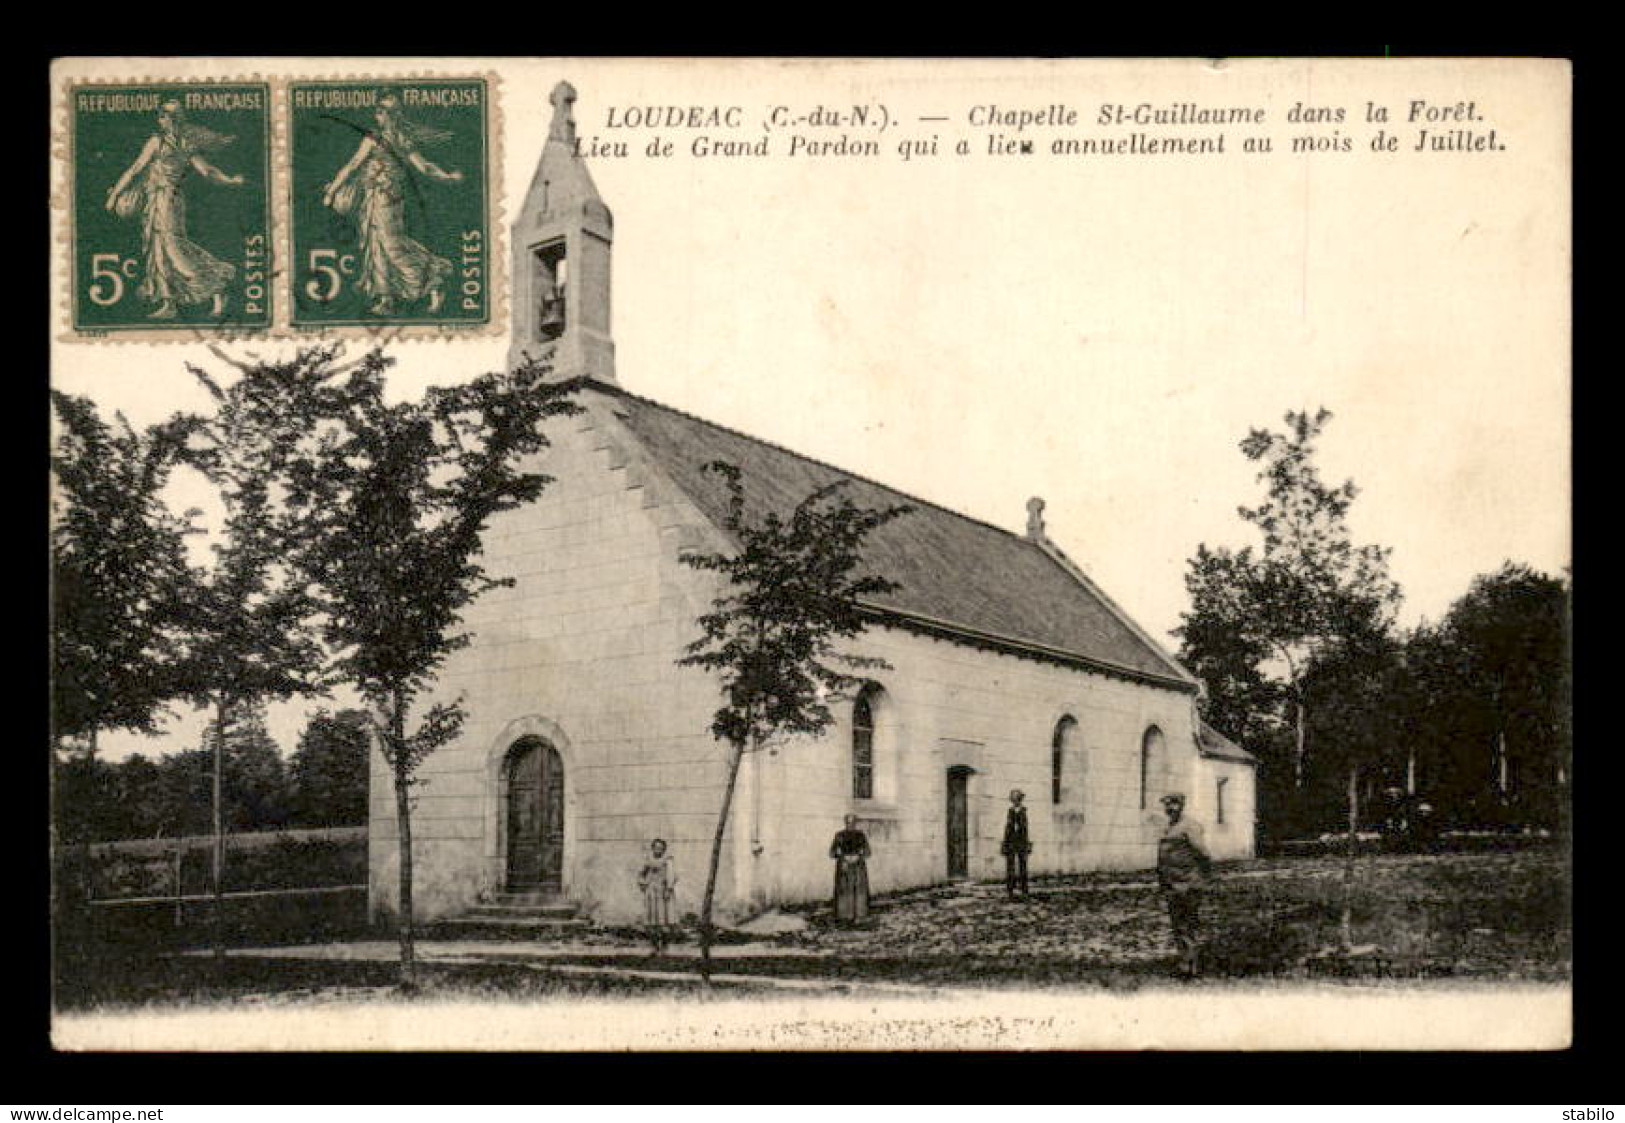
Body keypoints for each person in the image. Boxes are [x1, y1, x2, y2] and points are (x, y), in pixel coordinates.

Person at [321, 93, 461, 316]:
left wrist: (447, 177)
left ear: (391, 115)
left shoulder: (398, 139)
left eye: (382, 111)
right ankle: (386, 298)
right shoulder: (376, 138)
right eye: (377, 111)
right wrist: (334, 189)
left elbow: (424, 167)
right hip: (373, 197)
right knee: (376, 243)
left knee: (391, 245)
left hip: (389, 197)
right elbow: (353, 165)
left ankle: (434, 280)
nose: (377, 115)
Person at [104, 100, 244, 320]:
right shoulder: (168, 143)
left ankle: (217, 287)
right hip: (156, 200)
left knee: (173, 249)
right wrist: (230, 181)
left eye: (165, 116)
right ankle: (169, 303)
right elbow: (136, 170)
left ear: (174, 119)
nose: (162, 120)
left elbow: (206, 171)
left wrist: (229, 181)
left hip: (168, 200)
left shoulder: (173, 143)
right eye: (161, 116)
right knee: (157, 250)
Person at [1156, 792, 1213, 977]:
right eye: (1166, 805)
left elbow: (1203, 854)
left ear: (1181, 805)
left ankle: (1192, 965)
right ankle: (1185, 963)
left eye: (1173, 804)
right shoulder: (1168, 827)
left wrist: (1200, 878)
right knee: (1178, 924)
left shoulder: (1190, 826)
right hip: (1172, 884)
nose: (1169, 808)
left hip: (1188, 883)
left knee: (1188, 924)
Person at [636, 838, 677, 955]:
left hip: (663, 892)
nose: (658, 850)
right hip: (652, 893)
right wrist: (643, 884)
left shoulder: (668, 860)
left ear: (664, 849)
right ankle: (654, 947)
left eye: (661, 848)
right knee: (652, 921)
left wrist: (669, 889)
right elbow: (641, 873)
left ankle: (664, 946)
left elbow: (672, 875)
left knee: (664, 920)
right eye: (656, 847)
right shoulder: (649, 860)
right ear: (652, 848)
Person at [829, 814, 871, 925]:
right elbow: (831, 853)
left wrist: (858, 856)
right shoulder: (839, 835)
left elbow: (868, 852)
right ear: (845, 823)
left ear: (855, 823)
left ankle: (859, 915)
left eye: (852, 823)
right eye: (848, 822)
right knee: (843, 890)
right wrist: (842, 857)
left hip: (858, 867)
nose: (850, 825)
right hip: (844, 867)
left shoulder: (860, 835)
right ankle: (844, 916)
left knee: (859, 890)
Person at [1002, 789, 1032, 897]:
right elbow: (1008, 828)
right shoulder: (1010, 811)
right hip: (1011, 842)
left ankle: (1024, 889)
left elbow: (1025, 829)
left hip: (1021, 842)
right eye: (1013, 800)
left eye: (1017, 799)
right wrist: (1005, 843)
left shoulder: (1024, 811)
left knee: (1023, 866)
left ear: (1020, 800)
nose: (1015, 802)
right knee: (1010, 866)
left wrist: (1027, 844)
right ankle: (1010, 889)